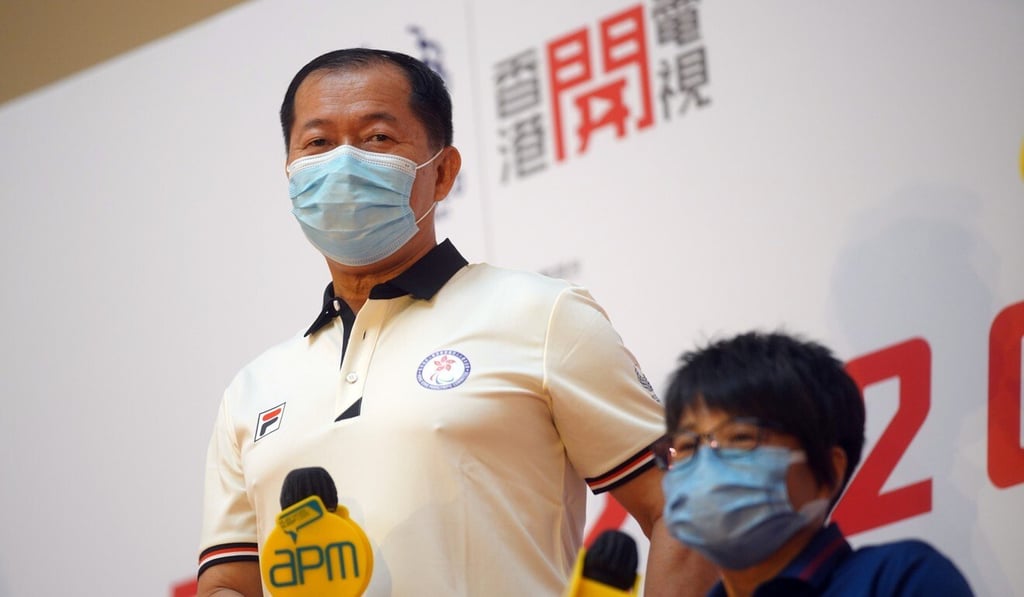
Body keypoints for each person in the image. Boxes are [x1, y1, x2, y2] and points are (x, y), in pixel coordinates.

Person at [196, 48, 717, 597]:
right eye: (318, 143)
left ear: (442, 172)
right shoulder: (252, 392)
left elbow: (680, 512)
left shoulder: (542, 317)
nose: (342, 164)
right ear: (291, 175)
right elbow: (229, 583)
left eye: (376, 138)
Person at [654, 330, 974, 596]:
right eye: (686, 445)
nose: (706, 465)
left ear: (828, 472)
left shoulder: (897, 580)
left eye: (740, 437)